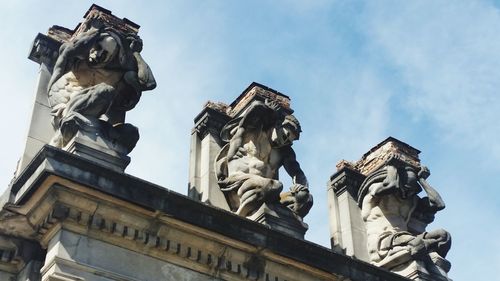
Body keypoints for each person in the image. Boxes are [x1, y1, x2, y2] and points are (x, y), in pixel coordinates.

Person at [47, 25, 156, 149]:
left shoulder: (113, 76)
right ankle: (66, 131)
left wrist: (135, 53)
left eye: (105, 54)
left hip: (91, 118)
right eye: (98, 48)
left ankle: (81, 134)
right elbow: (75, 47)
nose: (98, 55)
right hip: (65, 111)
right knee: (105, 90)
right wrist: (99, 30)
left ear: (111, 58)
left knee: (131, 132)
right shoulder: (73, 58)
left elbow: (149, 83)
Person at [216, 100, 312, 218]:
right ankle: (239, 216)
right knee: (275, 186)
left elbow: (298, 173)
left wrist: (301, 187)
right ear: (278, 125)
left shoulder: (284, 151)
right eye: (284, 136)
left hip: (267, 193)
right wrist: (270, 111)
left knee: (305, 198)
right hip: (239, 184)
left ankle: (288, 225)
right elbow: (256, 107)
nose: (284, 142)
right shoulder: (252, 133)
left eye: (288, 142)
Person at [359, 162, 451, 269]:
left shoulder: (412, 200)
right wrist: (392, 166)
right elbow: (391, 185)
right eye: (406, 188)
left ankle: (425, 250)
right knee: (418, 244)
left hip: (405, 238)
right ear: (400, 182)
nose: (408, 193)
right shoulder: (375, 193)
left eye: (412, 190)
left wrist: (422, 180)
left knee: (443, 235)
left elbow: (438, 204)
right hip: (383, 241)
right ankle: (425, 250)